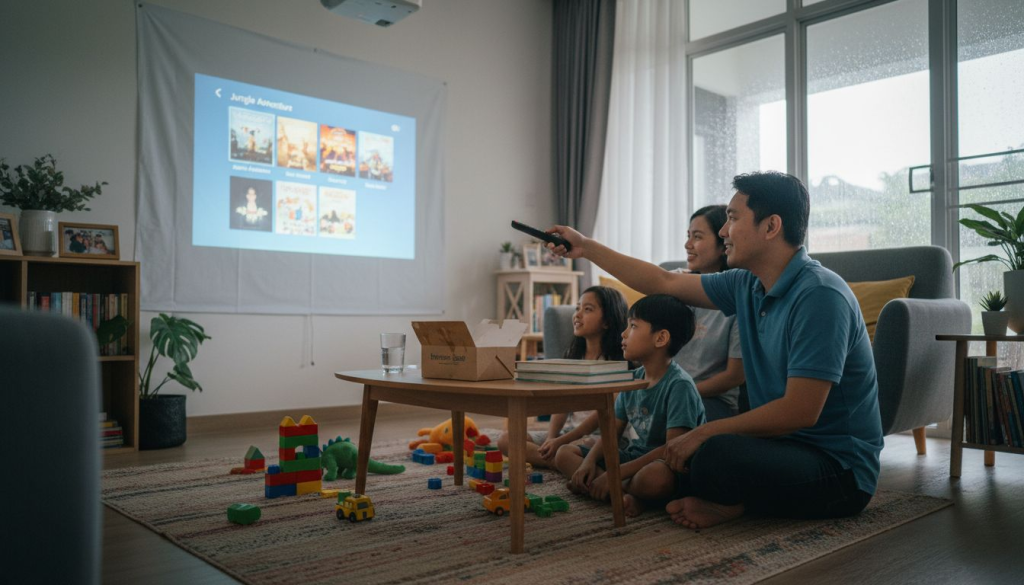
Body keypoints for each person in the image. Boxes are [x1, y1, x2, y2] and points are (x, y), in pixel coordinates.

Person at [546, 170, 883, 529]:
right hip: (777, 447)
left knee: (710, 450)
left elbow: (801, 411)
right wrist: (586, 247)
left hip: (838, 469)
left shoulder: (820, 296)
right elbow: (664, 281)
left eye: (733, 219)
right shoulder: (746, 284)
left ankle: (731, 505)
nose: (724, 232)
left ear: (771, 227)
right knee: (677, 455)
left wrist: (703, 434)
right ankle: (707, 492)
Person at [553, 294, 705, 517]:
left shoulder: (679, 386)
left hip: (668, 465)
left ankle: (614, 489)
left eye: (633, 326)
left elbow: (672, 450)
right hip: (636, 457)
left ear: (661, 338)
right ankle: (622, 493)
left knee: (655, 479)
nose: (623, 334)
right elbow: (610, 432)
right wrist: (589, 461)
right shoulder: (632, 379)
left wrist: (616, 473)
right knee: (564, 454)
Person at [496, 286, 628, 467]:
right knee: (505, 439)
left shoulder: (617, 363)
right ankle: (559, 461)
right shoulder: (573, 357)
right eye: (577, 308)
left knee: (570, 449)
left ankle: (561, 460)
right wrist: (551, 438)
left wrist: (562, 441)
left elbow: (602, 414)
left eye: (587, 309)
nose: (578, 315)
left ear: (607, 321)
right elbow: (562, 405)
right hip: (568, 432)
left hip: (600, 436)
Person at [677, 205, 745, 421]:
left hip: (712, 401)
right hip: (667, 394)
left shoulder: (739, 297)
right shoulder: (676, 286)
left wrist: (679, 392)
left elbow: (734, 376)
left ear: (722, 243)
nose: (688, 245)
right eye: (688, 236)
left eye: (697, 237)